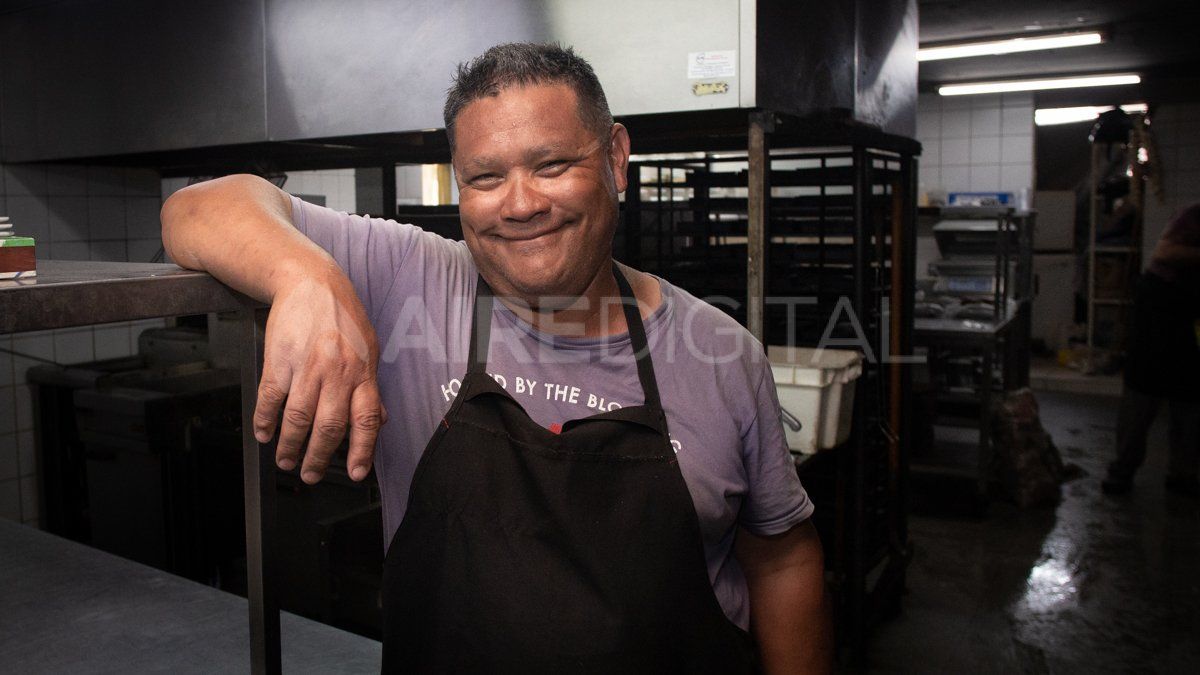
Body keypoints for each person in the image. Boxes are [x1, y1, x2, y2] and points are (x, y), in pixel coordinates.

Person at [162, 43, 830, 672]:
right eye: (485, 177)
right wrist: (306, 277)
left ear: (616, 158)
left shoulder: (722, 354)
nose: (520, 204)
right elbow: (195, 209)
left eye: (552, 165)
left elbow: (781, 559)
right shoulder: (412, 281)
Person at [1102, 202, 1200, 496]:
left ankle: (1183, 474)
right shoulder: (1191, 216)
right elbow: (1165, 252)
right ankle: (1122, 470)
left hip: (1192, 317)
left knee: (1190, 404)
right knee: (1140, 401)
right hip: (1159, 313)